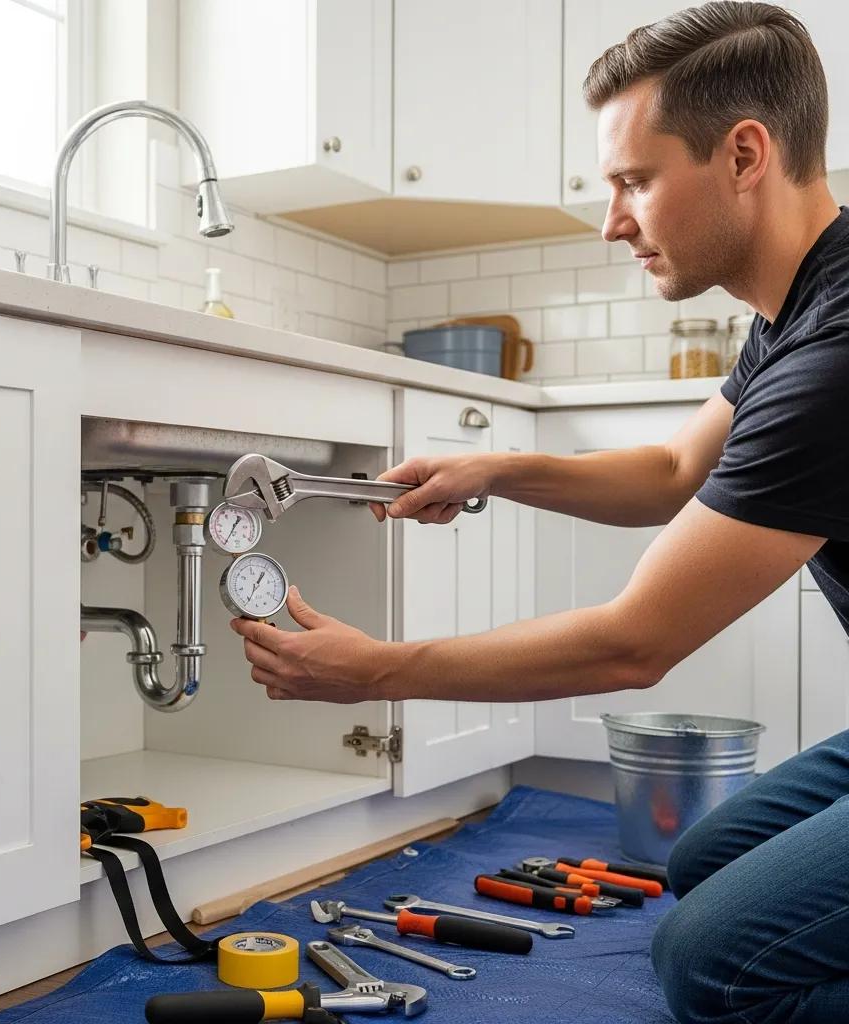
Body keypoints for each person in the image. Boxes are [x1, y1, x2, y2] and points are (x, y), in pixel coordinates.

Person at [231, 3, 849, 1020]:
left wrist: (377, 671)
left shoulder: (831, 359)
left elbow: (630, 644)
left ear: (744, 153)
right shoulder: (795, 305)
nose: (612, 222)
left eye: (635, 182)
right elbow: (665, 470)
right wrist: (492, 467)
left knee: (712, 967)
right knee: (698, 857)